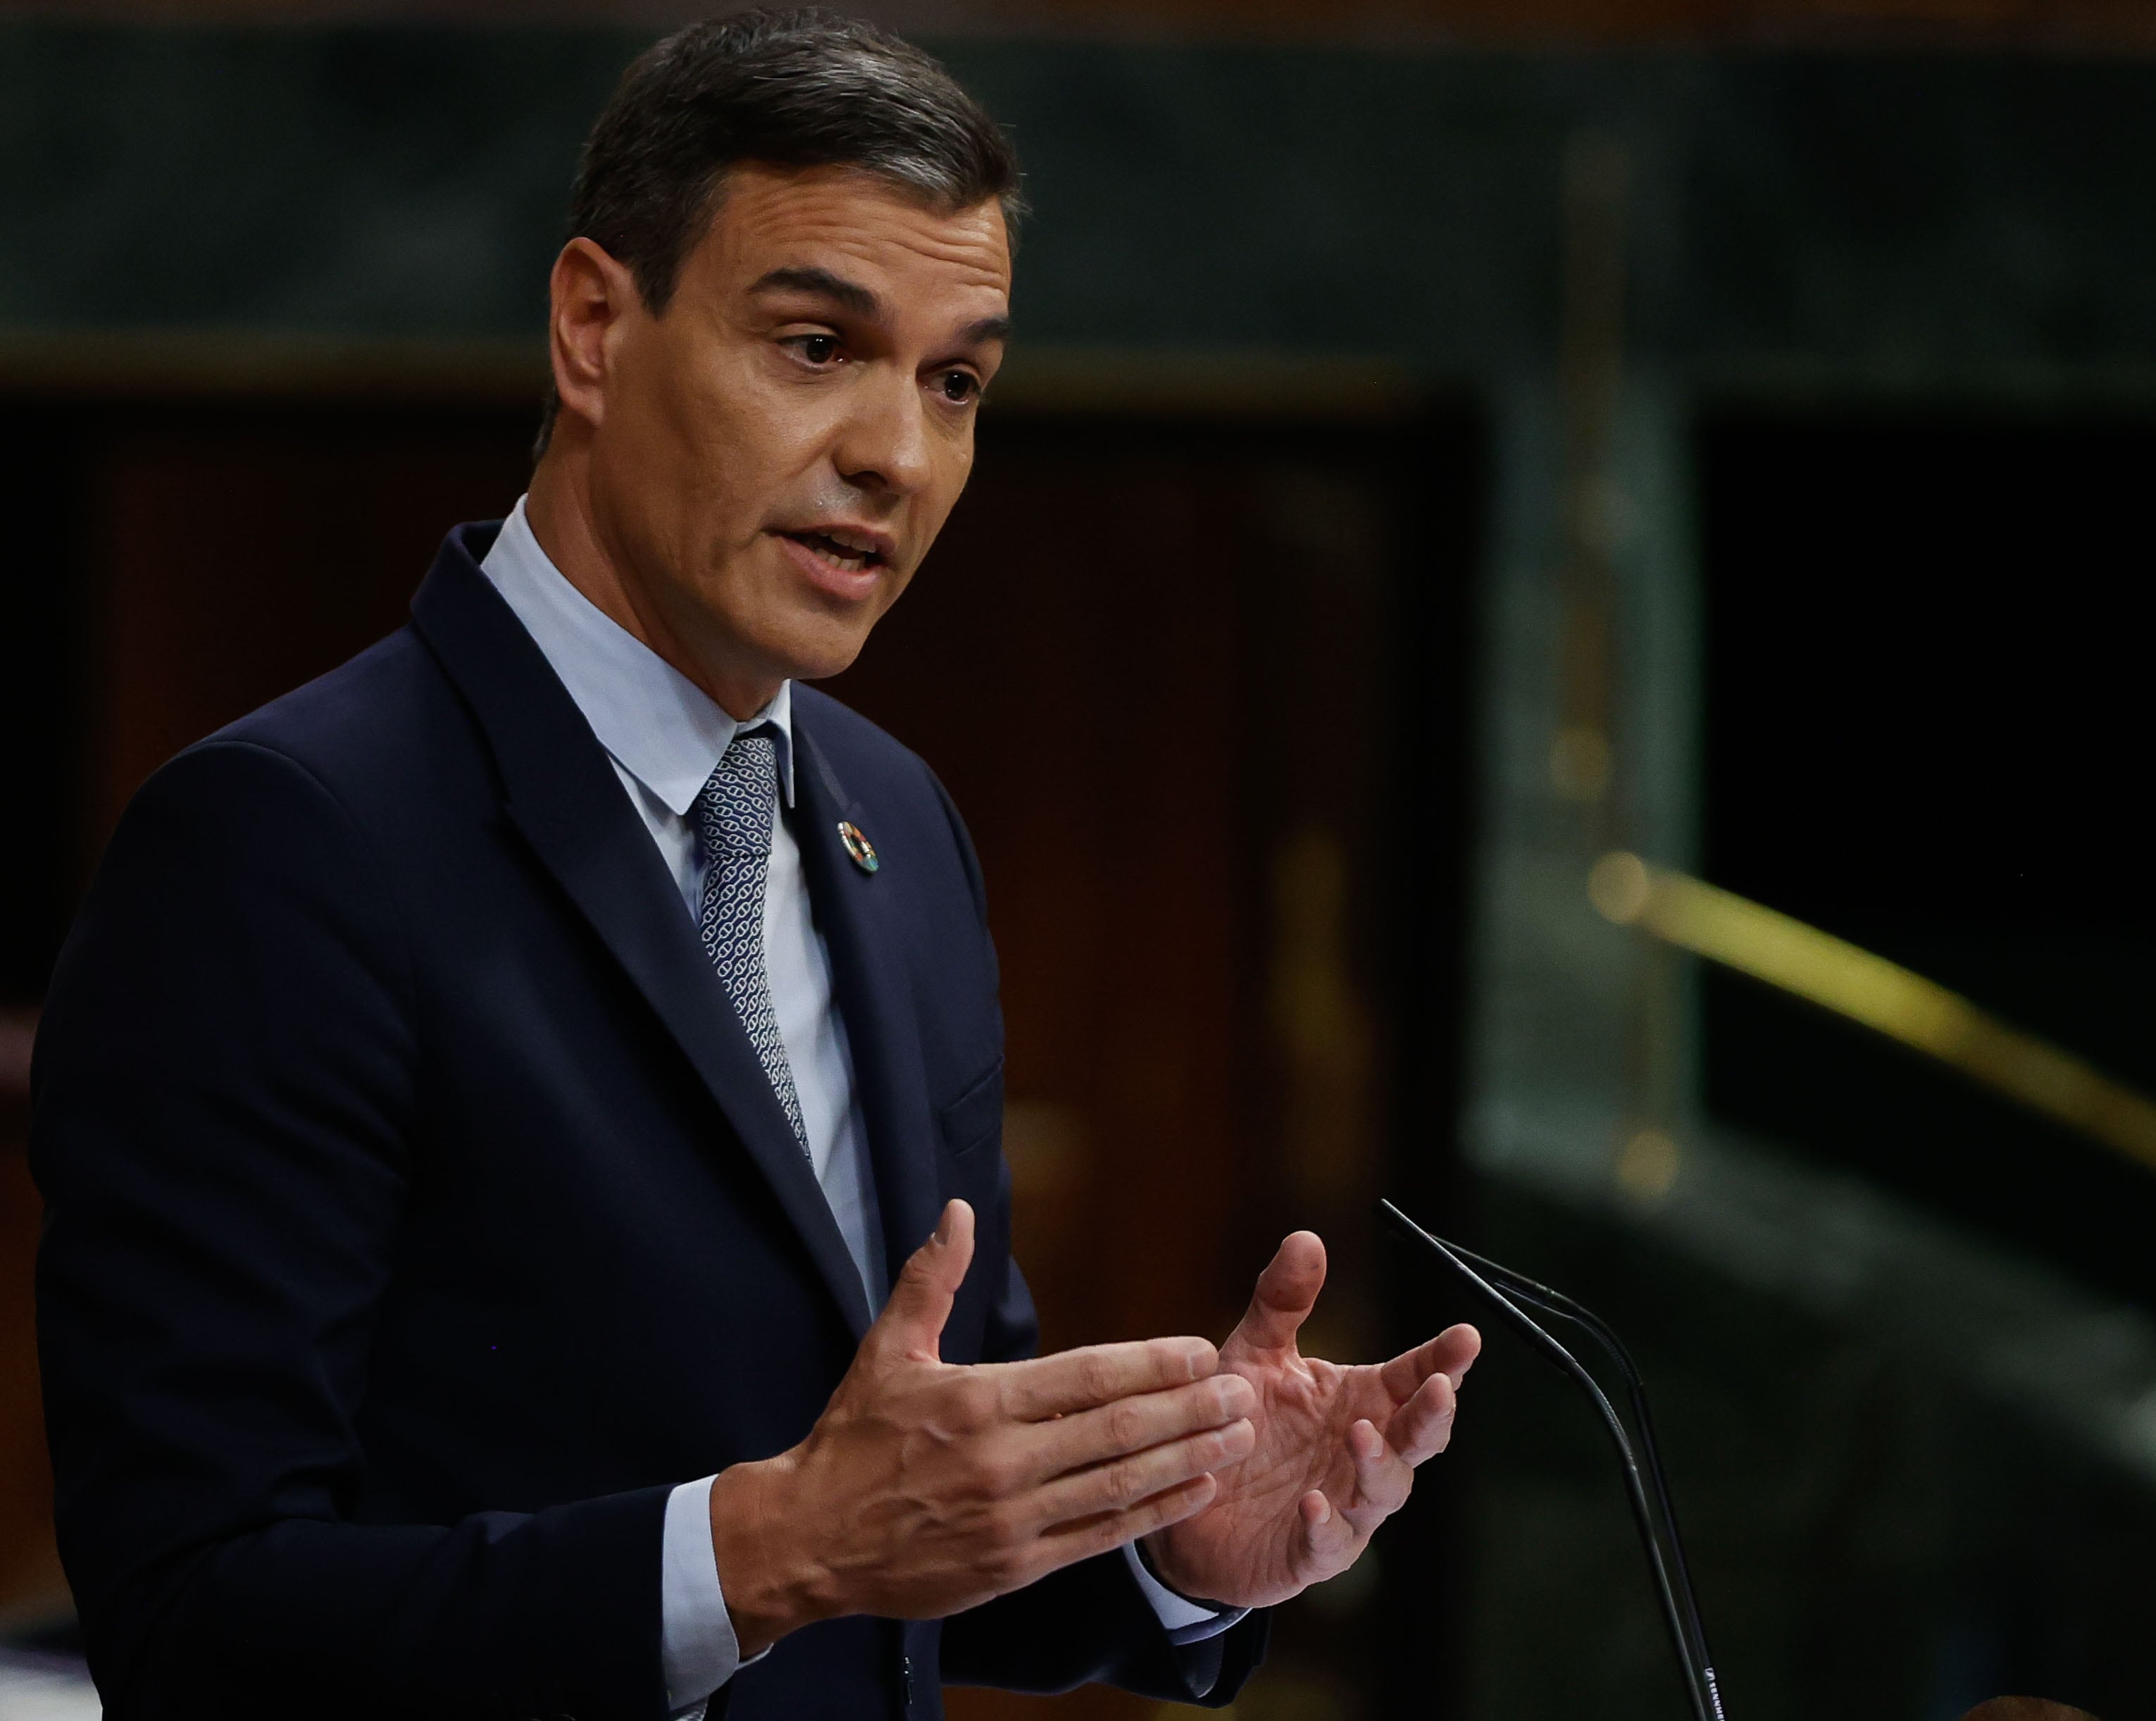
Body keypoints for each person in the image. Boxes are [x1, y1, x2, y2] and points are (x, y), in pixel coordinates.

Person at [29, 12, 1478, 1719]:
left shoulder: (902, 829)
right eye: (814, 346)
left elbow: (914, 1509)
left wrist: (1167, 1548)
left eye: (955, 381)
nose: (898, 455)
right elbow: (198, 1623)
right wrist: (766, 1549)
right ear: (591, 326)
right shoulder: (283, 843)